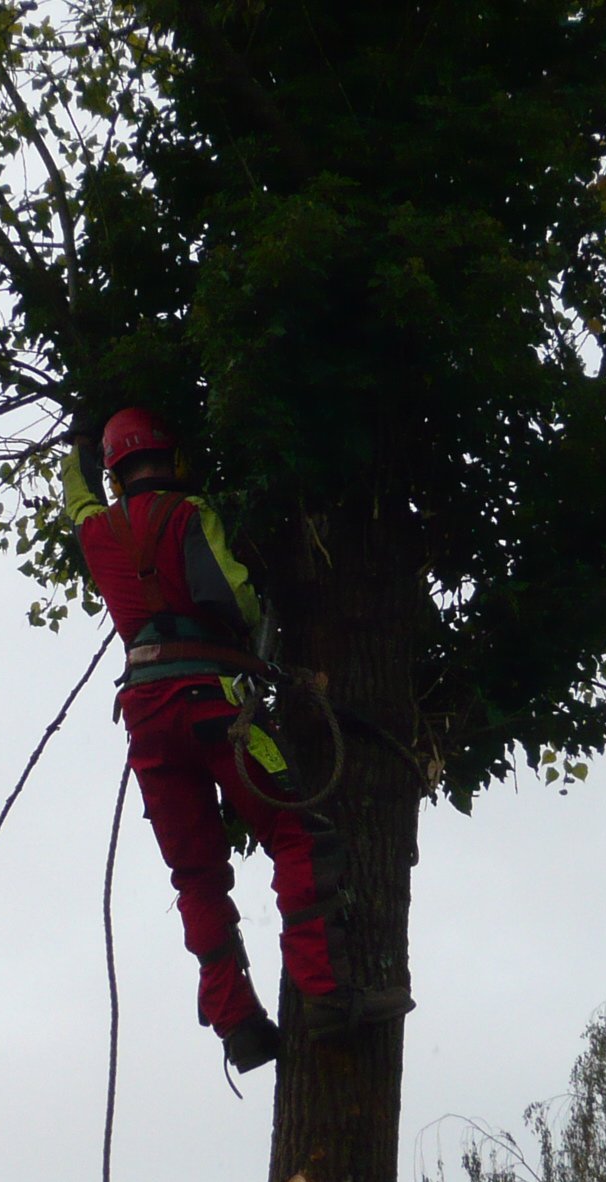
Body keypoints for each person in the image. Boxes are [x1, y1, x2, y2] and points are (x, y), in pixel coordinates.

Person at [61, 407, 413, 1074]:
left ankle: (238, 1025)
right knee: (299, 833)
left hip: (144, 715)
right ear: (175, 457)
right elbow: (233, 599)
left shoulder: (95, 528)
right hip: (214, 704)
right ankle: (327, 996)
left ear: (112, 473)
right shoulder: (191, 514)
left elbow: (75, 492)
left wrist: (80, 435)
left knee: (195, 874)